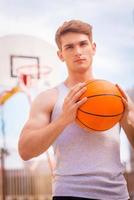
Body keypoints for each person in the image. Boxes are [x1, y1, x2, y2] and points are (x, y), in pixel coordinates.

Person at [18, 20, 134, 200]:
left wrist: (127, 120)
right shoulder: (49, 98)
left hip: (117, 195)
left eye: (83, 44)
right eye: (70, 47)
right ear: (60, 55)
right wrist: (63, 119)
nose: (78, 52)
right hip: (70, 193)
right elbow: (25, 151)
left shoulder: (117, 95)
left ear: (93, 47)